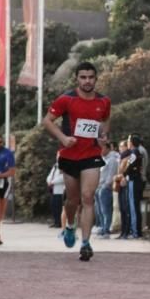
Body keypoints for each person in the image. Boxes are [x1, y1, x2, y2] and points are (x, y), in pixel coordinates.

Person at [42, 62, 111, 261]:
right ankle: (70, 225)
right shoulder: (66, 99)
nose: (87, 81)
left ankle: (86, 243)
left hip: (91, 154)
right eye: (83, 77)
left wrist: (103, 136)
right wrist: (63, 139)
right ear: (77, 79)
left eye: (90, 77)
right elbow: (47, 121)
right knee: (73, 200)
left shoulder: (104, 101)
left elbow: (105, 121)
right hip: (69, 155)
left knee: (88, 197)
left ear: (96, 79)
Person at [95, 140, 119, 237]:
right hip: (98, 186)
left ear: (108, 148)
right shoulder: (102, 158)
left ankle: (106, 230)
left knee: (106, 210)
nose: (100, 150)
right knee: (99, 210)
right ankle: (102, 227)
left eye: (102, 148)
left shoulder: (112, 159)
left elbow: (111, 175)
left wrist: (105, 185)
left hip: (105, 187)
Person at [126, 134, 147, 237]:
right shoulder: (137, 152)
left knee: (134, 206)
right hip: (136, 180)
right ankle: (136, 230)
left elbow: (129, 166)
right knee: (135, 206)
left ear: (132, 142)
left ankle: (136, 231)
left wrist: (123, 175)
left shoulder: (135, 153)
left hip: (134, 180)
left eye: (129, 141)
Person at [116, 139, 133, 239]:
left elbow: (127, 170)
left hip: (125, 183)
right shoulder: (121, 158)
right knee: (122, 208)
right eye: (120, 147)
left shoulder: (129, 157)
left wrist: (123, 177)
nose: (120, 149)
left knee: (126, 208)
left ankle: (127, 231)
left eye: (122, 146)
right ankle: (123, 231)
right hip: (120, 184)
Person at [46, 157, 65, 229]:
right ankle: (56, 221)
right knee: (53, 206)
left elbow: (63, 177)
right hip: (53, 190)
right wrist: (48, 181)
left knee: (59, 207)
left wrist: (52, 182)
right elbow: (50, 175)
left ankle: (60, 222)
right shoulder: (55, 165)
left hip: (60, 190)